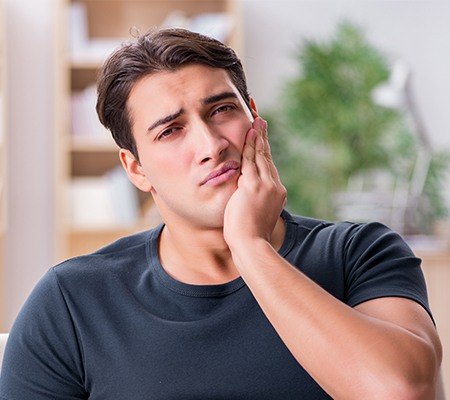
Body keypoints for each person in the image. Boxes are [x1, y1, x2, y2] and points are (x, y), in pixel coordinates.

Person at [0, 28, 442, 399]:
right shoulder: (72, 302)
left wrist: (250, 248)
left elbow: (403, 391)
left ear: (256, 121)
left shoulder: (358, 253)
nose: (211, 146)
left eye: (222, 110)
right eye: (171, 130)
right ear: (136, 169)